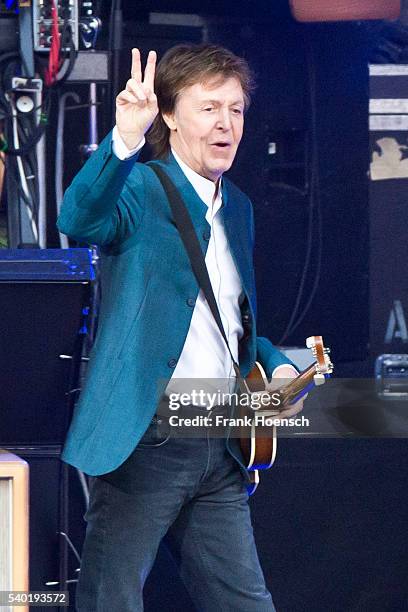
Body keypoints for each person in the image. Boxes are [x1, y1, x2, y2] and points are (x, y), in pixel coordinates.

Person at [57, 43, 305, 612]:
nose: (227, 123)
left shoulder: (237, 206)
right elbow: (78, 219)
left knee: (246, 603)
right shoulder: (141, 188)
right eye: (210, 107)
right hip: (147, 440)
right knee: (109, 600)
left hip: (218, 444)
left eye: (237, 109)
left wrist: (279, 362)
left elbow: (231, 320)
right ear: (170, 116)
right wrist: (124, 141)